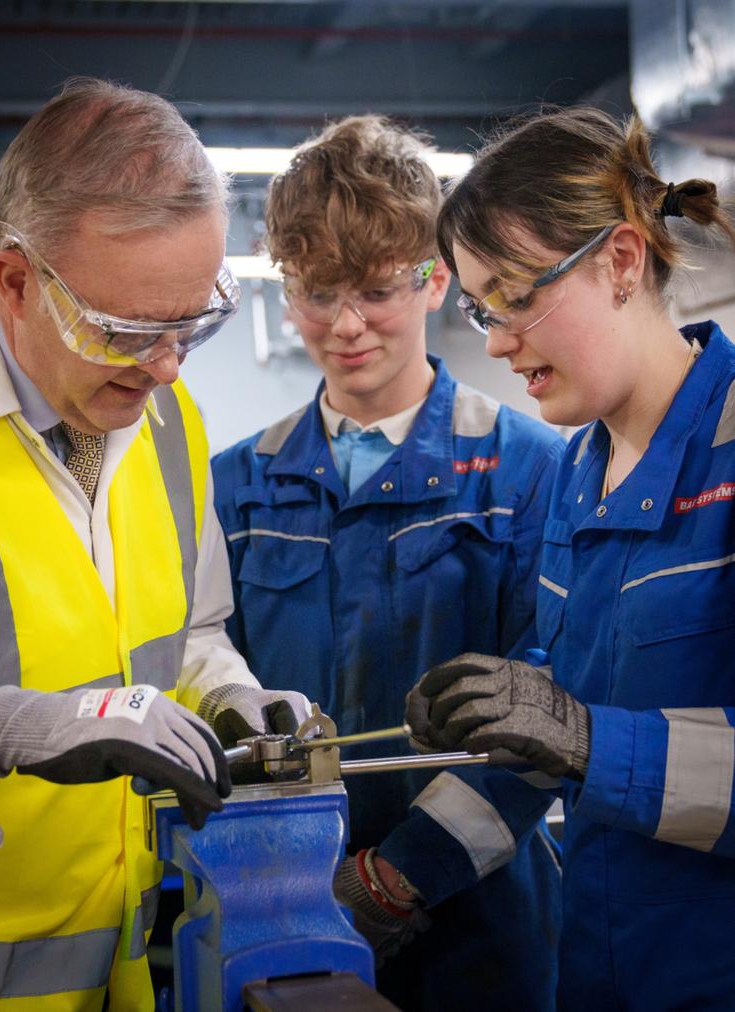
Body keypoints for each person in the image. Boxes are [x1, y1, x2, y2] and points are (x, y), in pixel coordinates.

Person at [0, 77, 312, 1010]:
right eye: (128, 329)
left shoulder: (167, 418)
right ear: (17, 282)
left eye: (193, 321)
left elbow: (191, 633)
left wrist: (233, 700)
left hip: (127, 976)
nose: (170, 366)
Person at [211, 116, 565, 1011]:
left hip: (484, 926)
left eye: (374, 290)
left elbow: (552, 700)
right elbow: (216, 685)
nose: (346, 324)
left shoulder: (529, 470)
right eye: (315, 291)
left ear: (433, 279)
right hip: (282, 912)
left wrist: (404, 875)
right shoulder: (237, 485)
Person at [406, 106, 735, 1011]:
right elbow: (564, 720)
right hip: (593, 976)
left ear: (621, 262)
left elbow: (585, 739)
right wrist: (407, 871)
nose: (497, 340)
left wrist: (592, 742)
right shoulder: (574, 474)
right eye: (479, 307)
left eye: (515, 295)